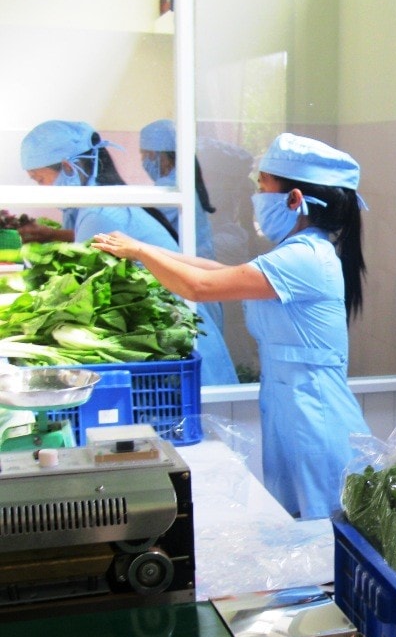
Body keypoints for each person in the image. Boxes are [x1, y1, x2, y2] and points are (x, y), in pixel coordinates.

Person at [94, 133, 373, 519]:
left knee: (323, 532)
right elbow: (222, 273)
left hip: (315, 414)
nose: (256, 198)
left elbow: (200, 287)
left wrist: (139, 250)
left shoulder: (305, 258)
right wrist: (149, 251)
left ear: (294, 199)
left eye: (263, 187)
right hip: (292, 405)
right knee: (300, 525)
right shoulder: (297, 252)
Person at [18, 119, 239, 387]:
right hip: (175, 327)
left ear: (68, 167)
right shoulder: (97, 205)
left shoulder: (99, 211)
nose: (42, 190)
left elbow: (82, 288)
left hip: (177, 334)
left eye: (41, 180)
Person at [140, 119, 225, 332]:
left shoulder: (171, 189)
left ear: (163, 156)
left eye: (147, 155)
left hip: (194, 279)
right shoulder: (182, 181)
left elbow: (137, 223)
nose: (144, 161)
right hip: (200, 275)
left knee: (202, 339)